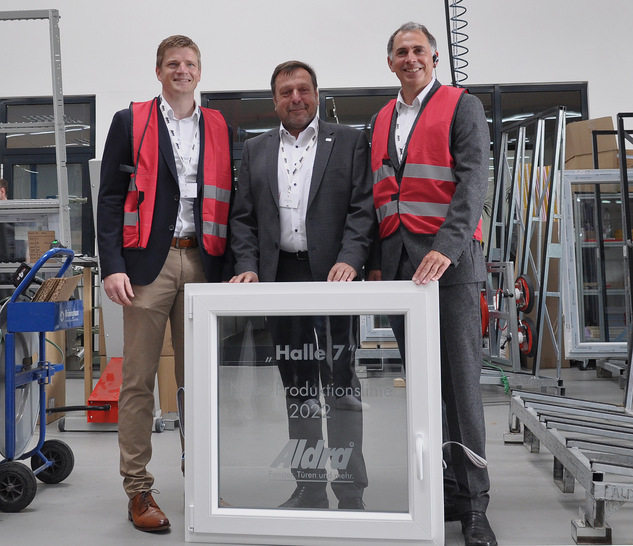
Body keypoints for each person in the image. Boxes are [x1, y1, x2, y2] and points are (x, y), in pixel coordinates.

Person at [97, 35, 233, 533]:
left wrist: (234, 266)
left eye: (190, 63)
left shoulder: (218, 125)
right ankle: (138, 489)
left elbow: (231, 199)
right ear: (158, 71)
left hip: (203, 259)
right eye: (173, 63)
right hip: (145, 267)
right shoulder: (130, 121)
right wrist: (111, 264)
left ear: (200, 71)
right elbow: (110, 197)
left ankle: (198, 470)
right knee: (138, 380)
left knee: (198, 380)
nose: (182, 70)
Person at [368, 22, 497, 546]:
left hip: (451, 265)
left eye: (418, 49)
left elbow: (473, 182)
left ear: (436, 57)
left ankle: (476, 505)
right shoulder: (380, 118)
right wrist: (378, 262)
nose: (410, 58)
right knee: (424, 388)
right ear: (390, 62)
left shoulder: (461, 106)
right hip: (401, 268)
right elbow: (378, 191)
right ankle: (443, 486)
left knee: (461, 387)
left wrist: (446, 247)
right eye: (401, 52)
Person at [229, 60, 375, 510]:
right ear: (274, 100)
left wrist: (351, 260)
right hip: (281, 277)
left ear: (316, 93)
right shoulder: (254, 150)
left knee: (341, 384)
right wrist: (249, 265)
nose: (296, 98)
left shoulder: (348, 141)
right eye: (286, 91)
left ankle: (350, 489)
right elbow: (243, 217)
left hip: (334, 275)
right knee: (298, 386)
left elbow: (362, 208)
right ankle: (309, 485)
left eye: (303, 90)